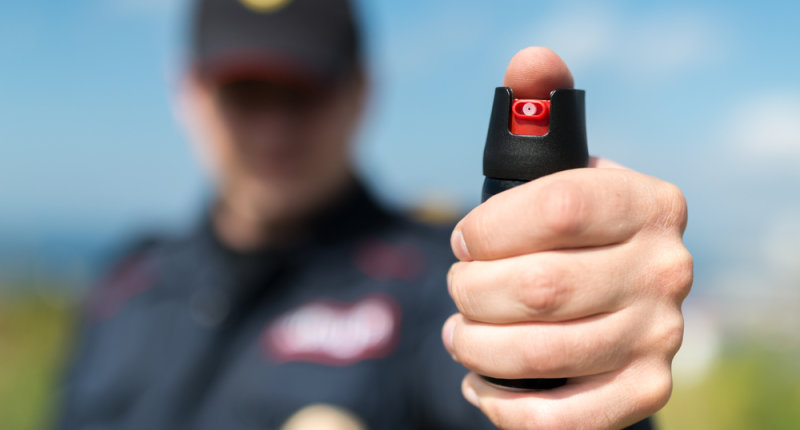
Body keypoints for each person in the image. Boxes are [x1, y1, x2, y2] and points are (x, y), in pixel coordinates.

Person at [57, 0, 692, 429]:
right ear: (187, 93)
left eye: (302, 93)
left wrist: (576, 353)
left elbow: (515, 391)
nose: (274, 129)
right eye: (246, 95)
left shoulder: (443, 279)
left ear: (360, 92)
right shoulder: (123, 285)